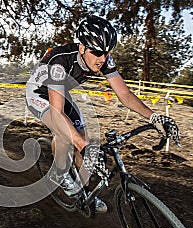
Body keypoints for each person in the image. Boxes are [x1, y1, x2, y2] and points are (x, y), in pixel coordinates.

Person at [26, 15, 181, 212]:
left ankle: (85, 195)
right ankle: (59, 173)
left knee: (82, 136)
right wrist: (82, 146)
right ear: (82, 47)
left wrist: (154, 117)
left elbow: (124, 93)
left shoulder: (103, 59)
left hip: (60, 92)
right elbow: (56, 113)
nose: (102, 59)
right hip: (38, 93)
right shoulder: (60, 61)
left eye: (107, 53)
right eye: (97, 52)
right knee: (67, 134)